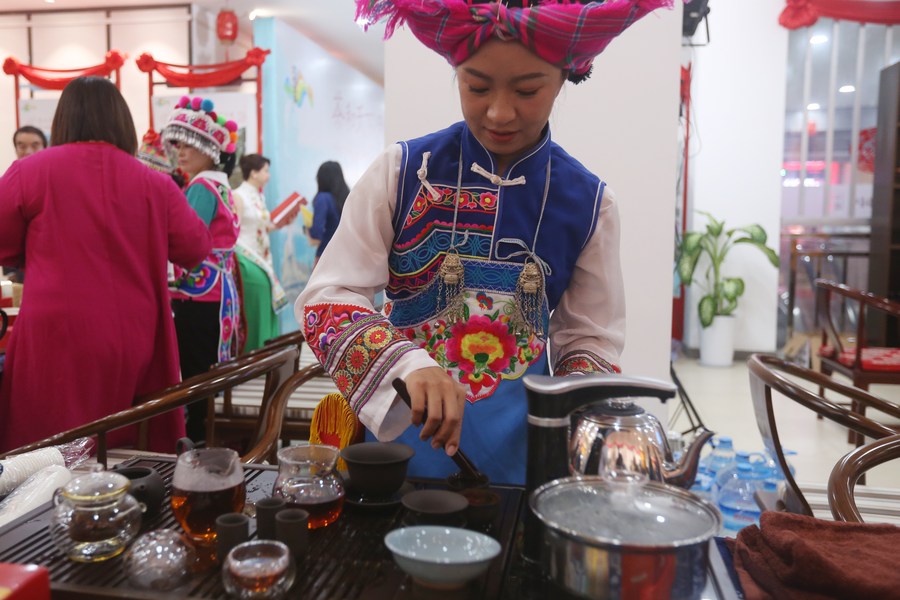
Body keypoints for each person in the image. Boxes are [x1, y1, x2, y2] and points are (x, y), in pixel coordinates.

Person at [296, 0, 670, 485]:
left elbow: (587, 339)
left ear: (568, 75)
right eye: (476, 86)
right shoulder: (401, 172)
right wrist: (407, 364)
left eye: (527, 89)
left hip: (524, 462)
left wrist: (580, 415)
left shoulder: (589, 203)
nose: (499, 112)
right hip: (395, 457)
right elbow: (326, 300)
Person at [0, 77, 212, 453]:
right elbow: (195, 247)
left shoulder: (30, 172)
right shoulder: (156, 184)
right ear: (122, 122)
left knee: (45, 452)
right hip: (136, 333)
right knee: (130, 446)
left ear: (62, 121)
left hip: (54, 334)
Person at [162, 95, 241, 442]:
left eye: (190, 145)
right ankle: (204, 439)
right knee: (205, 375)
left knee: (194, 378)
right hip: (218, 291)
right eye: (178, 144)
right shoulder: (220, 183)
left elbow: (185, 242)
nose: (182, 151)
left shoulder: (200, 187)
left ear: (210, 149)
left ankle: (193, 445)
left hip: (199, 295)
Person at [232, 154, 290, 352]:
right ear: (254, 172)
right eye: (265, 170)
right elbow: (234, 229)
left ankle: (267, 353)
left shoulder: (259, 196)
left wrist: (280, 223)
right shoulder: (238, 195)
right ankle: (253, 353)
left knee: (267, 304)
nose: (268, 175)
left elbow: (262, 226)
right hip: (247, 258)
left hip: (263, 257)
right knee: (256, 304)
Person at [4, 126, 48, 283]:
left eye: (35, 145)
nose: (28, 151)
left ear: (45, 147)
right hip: (19, 269)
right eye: (22, 146)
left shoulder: (54, 180)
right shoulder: (9, 182)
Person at [307, 161, 350, 266]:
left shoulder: (323, 198)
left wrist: (307, 228)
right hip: (347, 258)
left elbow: (316, 233)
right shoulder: (348, 198)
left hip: (325, 257)